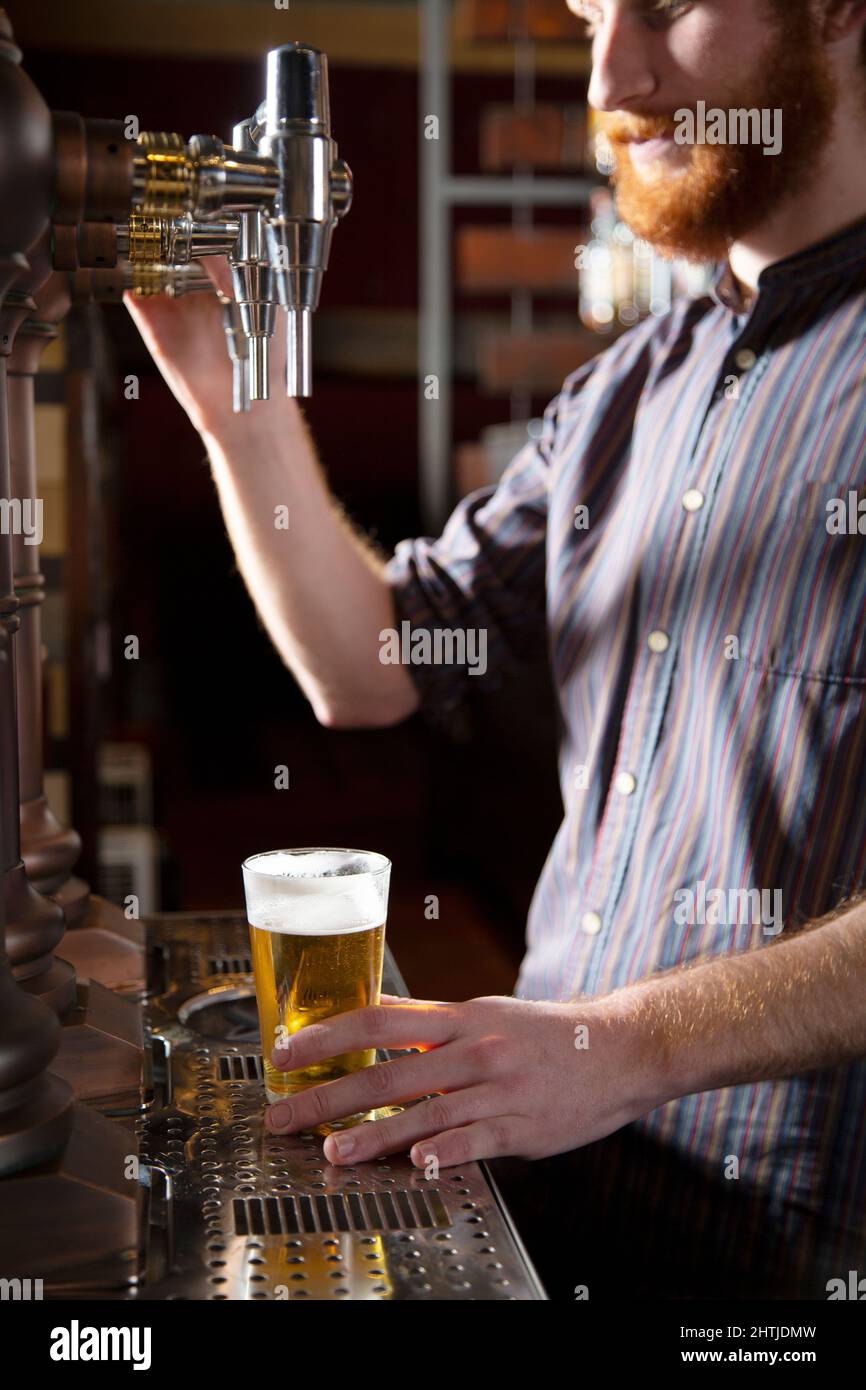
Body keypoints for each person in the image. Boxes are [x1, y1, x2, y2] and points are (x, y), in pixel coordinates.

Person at [127, 0, 866, 1300]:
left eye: (667, 9)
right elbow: (368, 668)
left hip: (796, 1248)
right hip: (557, 1195)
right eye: (589, 13)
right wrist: (235, 406)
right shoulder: (625, 392)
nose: (612, 73)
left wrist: (622, 1043)